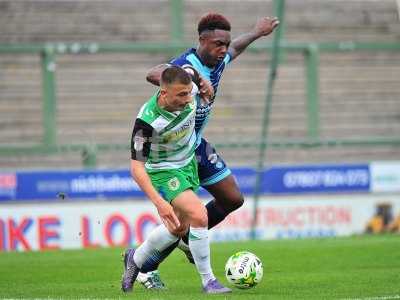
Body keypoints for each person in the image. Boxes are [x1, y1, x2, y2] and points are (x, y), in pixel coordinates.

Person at [138, 12, 280, 289]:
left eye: (224, 44)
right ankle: (146, 267)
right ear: (202, 41)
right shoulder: (185, 64)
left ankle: (190, 238)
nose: (223, 50)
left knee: (233, 199)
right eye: (217, 44)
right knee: (182, 221)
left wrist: (257, 31)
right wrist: (191, 79)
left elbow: (236, 47)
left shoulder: (219, 60)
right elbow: (153, 72)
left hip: (196, 145)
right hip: (172, 153)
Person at [121, 65, 231, 294]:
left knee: (180, 227)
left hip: (189, 160)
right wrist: (159, 203)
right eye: (181, 95)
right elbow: (136, 168)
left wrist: (203, 83)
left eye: (189, 92)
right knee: (199, 215)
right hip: (164, 171)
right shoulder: (147, 122)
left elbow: (191, 74)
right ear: (163, 94)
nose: (187, 98)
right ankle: (208, 281)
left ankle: (135, 258)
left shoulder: (188, 83)